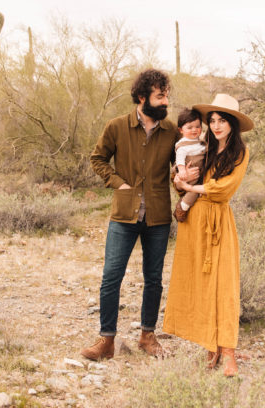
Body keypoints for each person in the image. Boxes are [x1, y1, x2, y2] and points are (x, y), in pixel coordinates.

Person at [80, 69, 198, 361]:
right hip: (123, 215)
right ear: (143, 97)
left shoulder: (171, 131)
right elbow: (97, 159)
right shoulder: (117, 127)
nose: (165, 102)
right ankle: (106, 341)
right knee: (111, 277)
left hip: (157, 217)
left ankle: (148, 336)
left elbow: (178, 165)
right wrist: (117, 182)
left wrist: (182, 179)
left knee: (154, 278)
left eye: (167, 96)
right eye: (160, 96)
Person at [163, 93, 253, 376]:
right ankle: (210, 345)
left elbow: (225, 188)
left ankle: (228, 352)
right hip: (194, 222)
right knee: (201, 284)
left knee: (224, 285)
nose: (215, 125)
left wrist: (195, 189)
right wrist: (179, 181)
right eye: (211, 120)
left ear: (232, 124)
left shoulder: (239, 152)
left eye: (222, 120)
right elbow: (182, 182)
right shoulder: (202, 148)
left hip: (218, 221)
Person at [172, 107, 206, 223]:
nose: (194, 130)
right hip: (189, 171)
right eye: (189, 127)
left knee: (197, 189)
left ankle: (184, 203)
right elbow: (180, 157)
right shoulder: (183, 144)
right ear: (181, 130)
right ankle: (182, 207)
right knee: (194, 191)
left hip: (198, 169)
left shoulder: (199, 141)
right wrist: (182, 170)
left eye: (197, 126)